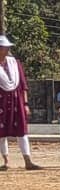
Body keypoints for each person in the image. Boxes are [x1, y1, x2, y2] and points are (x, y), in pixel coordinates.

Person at [0, 35, 42, 171]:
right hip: (1, 101)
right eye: (4, 48)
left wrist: (25, 103)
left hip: (16, 100)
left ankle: (27, 160)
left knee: (22, 131)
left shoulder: (14, 63)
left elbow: (23, 85)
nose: (7, 50)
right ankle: (6, 160)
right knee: (1, 132)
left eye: (7, 48)